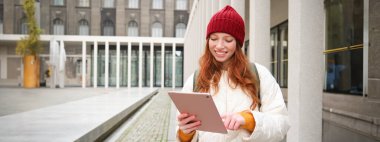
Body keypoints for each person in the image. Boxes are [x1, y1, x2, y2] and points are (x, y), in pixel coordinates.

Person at [176, 5, 290, 142]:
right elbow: (182, 133)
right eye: (213, 38)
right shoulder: (196, 79)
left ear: (238, 43)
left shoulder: (259, 75)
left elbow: (281, 124)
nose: (219, 46)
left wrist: (249, 120)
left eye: (228, 40)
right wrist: (185, 133)